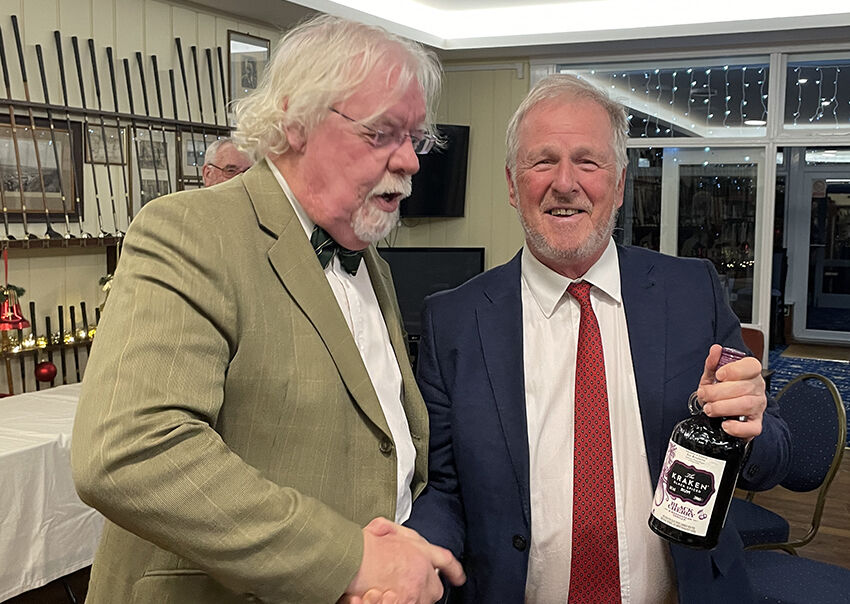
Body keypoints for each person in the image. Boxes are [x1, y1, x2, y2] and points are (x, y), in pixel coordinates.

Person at [71, 14, 464, 604]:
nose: (410, 160)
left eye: (416, 138)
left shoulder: (369, 260)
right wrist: (351, 560)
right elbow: (131, 450)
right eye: (383, 132)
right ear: (295, 122)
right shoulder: (192, 230)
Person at [404, 74, 791, 603]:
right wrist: (416, 563)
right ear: (513, 185)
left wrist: (747, 427)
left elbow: (773, 458)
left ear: (620, 183)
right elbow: (442, 488)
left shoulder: (691, 293)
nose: (565, 183)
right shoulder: (454, 321)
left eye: (588, 162)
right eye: (543, 162)